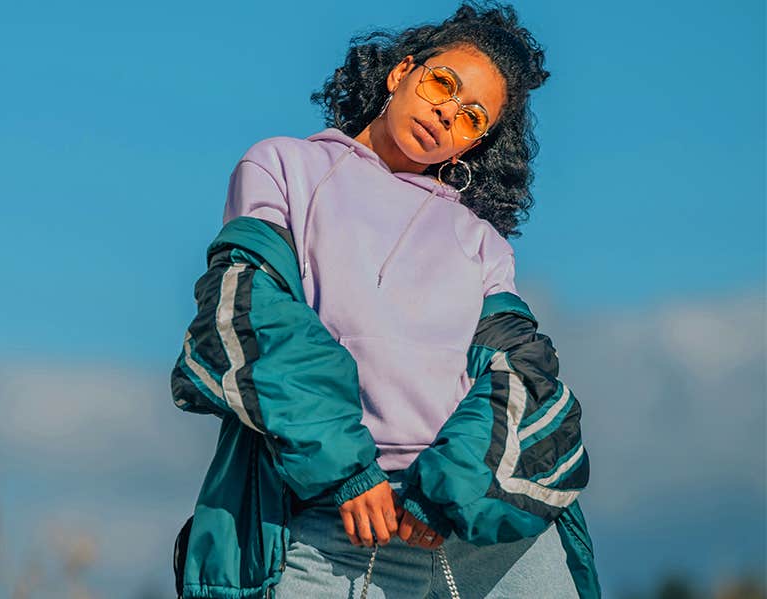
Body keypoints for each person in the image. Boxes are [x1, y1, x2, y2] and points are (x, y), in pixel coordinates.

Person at [170, 2, 597, 597]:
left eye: (473, 118)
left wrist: (447, 492)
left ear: (474, 144)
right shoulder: (285, 167)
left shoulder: (482, 243)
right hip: (329, 513)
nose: (447, 113)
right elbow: (254, 311)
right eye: (442, 84)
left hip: (475, 526)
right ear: (402, 73)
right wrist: (347, 470)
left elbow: (520, 375)